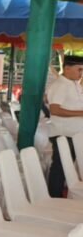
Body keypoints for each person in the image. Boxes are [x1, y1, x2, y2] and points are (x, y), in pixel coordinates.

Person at [46, 54, 83, 197]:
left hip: (74, 135)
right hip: (64, 134)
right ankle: (53, 197)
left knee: (67, 167)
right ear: (67, 68)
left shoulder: (73, 84)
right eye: (79, 70)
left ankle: (60, 195)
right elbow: (55, 110)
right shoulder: (60, 85)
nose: (81, 73)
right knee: (60, 168)